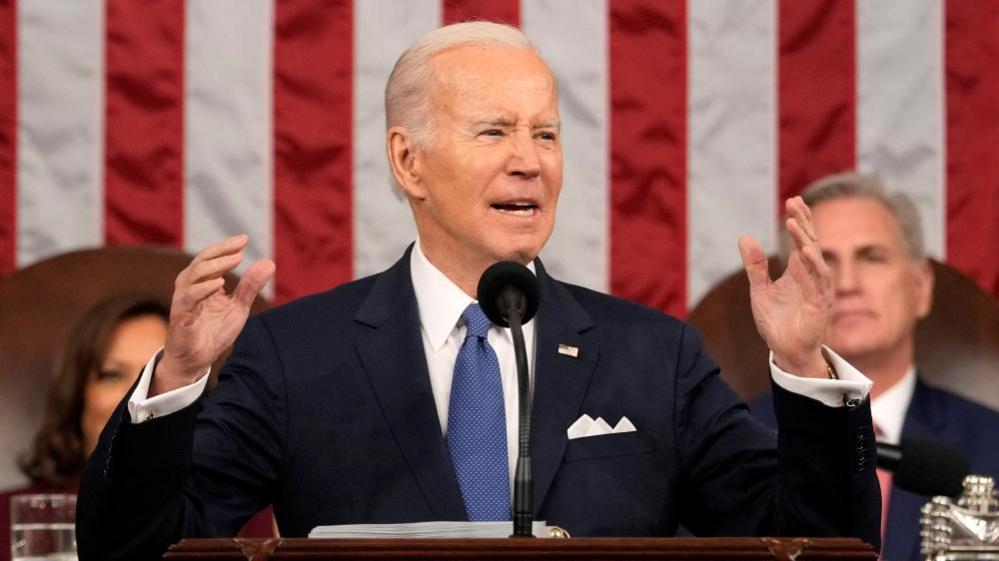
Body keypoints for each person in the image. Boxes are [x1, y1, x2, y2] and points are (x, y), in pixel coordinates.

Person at [77, 22, 880, 561]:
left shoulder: (651, 353)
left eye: (546, 133)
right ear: (408, 162)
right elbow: (139, 552)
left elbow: (811, 547)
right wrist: (177, 375)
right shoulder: (297, 355)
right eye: (493, 131)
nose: (528, 159)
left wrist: (802, 362)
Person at [750, 172, 999, 561]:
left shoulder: (991, 443)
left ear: (920, 287)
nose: (847, 283)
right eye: (824, 260)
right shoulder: (738, 441)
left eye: (872, 257)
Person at [0, 296, 169, 561]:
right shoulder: (7, 520)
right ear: (78, 396)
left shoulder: (245, 519)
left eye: (157, 376)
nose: (135, 396)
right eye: (112, 375)